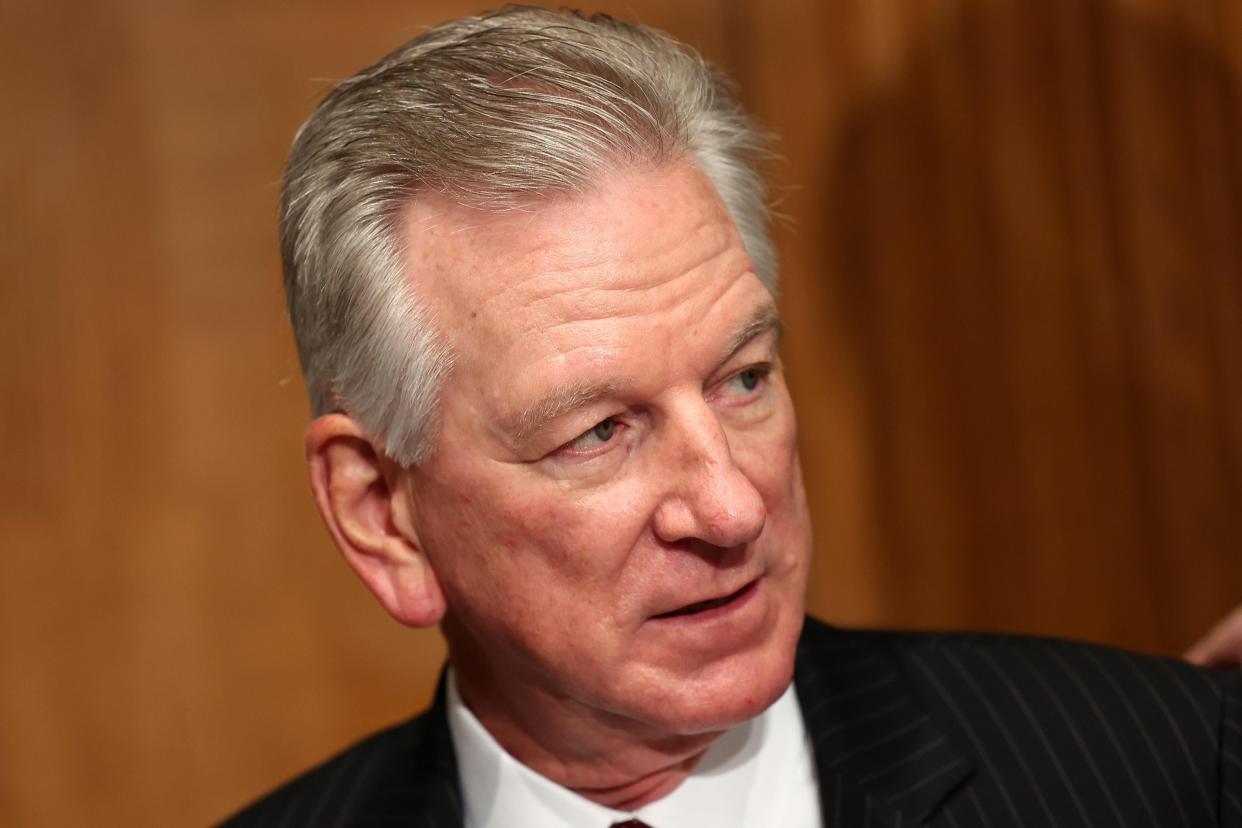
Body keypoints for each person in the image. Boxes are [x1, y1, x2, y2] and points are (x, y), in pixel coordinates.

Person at [224, 7, 1242, 826]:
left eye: (742, 378)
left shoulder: (1168, 771)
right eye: (600, 433)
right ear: (382, 515)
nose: (731, 506)